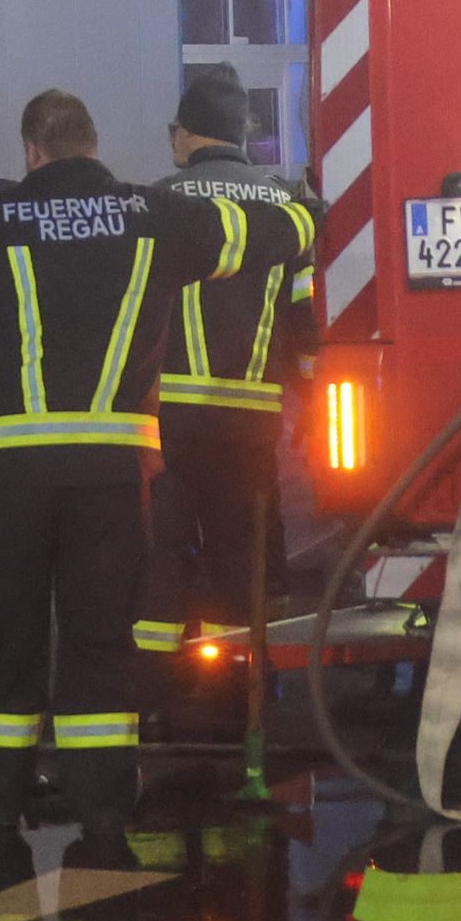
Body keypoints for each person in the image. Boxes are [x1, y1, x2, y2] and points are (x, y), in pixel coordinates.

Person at [0, 86, 312, 839]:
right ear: (93, 145)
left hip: (15, 474)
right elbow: (258, 235)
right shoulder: (151, 216)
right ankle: (100, 811)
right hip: (112, 477)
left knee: (7, 645)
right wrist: (302, 212)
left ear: (33, 152)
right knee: (100, 646)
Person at [135, 64, 315, 680]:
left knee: (162, 552)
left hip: (169, 419)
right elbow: (305, 319)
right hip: (250, 421)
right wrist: (313, 398)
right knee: (238, 557)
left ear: (188, 135)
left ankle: (158, 693)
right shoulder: (290, 208)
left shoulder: (158, 201)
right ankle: (230, 690)